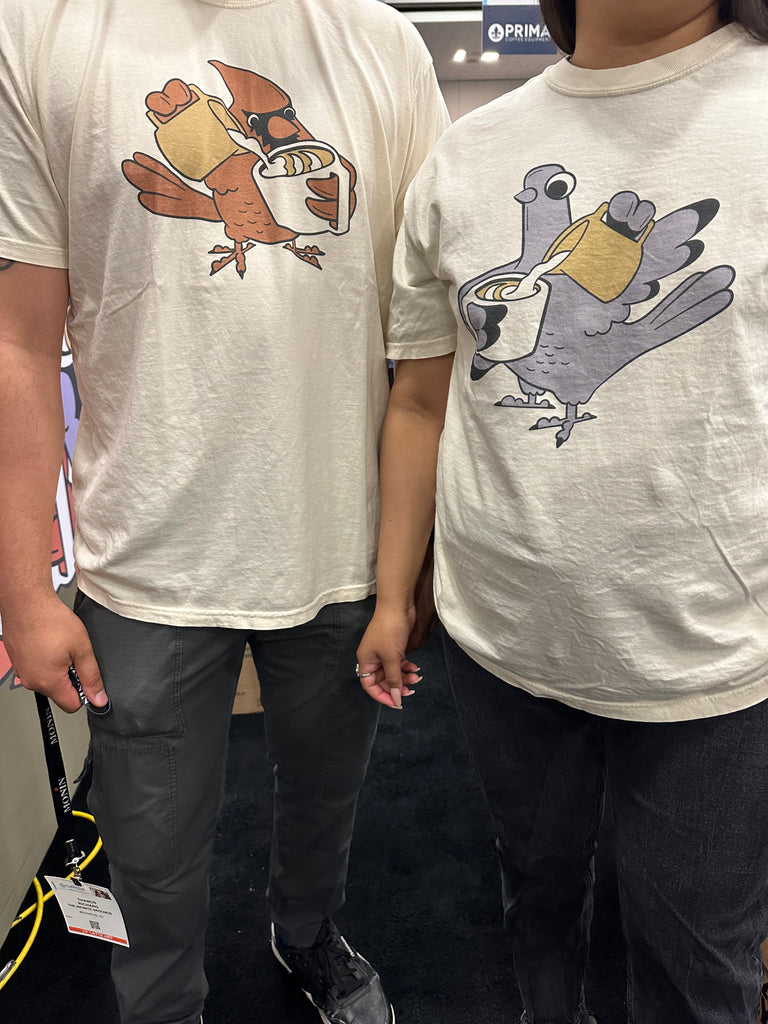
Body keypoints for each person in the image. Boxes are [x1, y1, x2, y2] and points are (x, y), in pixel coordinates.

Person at [0, 1, 447, 1022]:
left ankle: (308, 933)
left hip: (341, 541)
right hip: (144, 557)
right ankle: (162, 1005)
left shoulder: (382, 43)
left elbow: (423, 340)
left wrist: (410, 561)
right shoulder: (40, 30)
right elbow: (19, 340)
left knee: (327, 799)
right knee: (149, 851)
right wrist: (23, 588)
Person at [356, 1, 768, 1021]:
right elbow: (420, 400)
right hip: (505, 636)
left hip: (719, 657)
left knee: (695, 964)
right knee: (536, 904)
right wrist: (393, 593)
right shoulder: (467, 155)